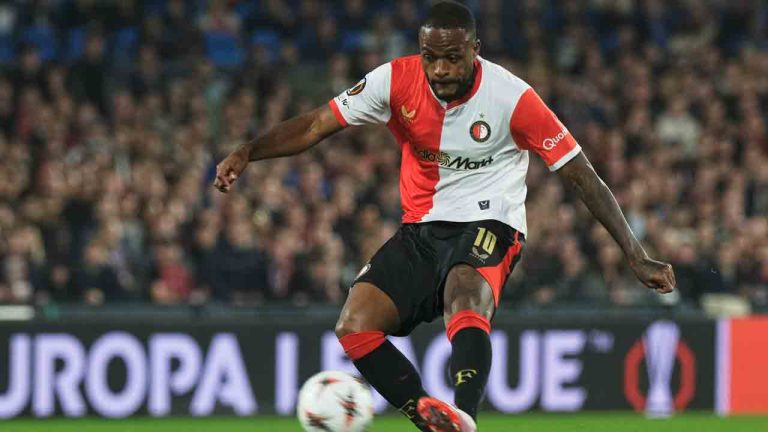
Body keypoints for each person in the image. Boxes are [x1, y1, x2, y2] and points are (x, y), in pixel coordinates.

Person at [214, 2, 677, 431]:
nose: (440, 69)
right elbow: (317, 124)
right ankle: (428, 415)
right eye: (431, 57)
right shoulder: (394, 80)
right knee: (354, 325)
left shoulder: (513, 98)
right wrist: (249, 151)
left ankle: (465, 416)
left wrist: (634, 253)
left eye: (453, 57)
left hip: (490, 222)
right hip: (421, 229)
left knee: (465, 293)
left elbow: (582, 175)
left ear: (475, 50)